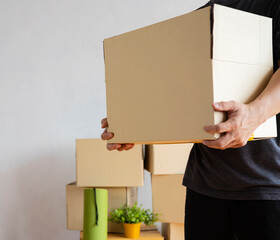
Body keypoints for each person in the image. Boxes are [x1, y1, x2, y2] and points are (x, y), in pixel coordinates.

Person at [101, 1, 280, 239]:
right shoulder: (207, 12)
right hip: (205, 186)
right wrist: (132, 123)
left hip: (268, 186)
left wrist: (254, 115)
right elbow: (177, 88)